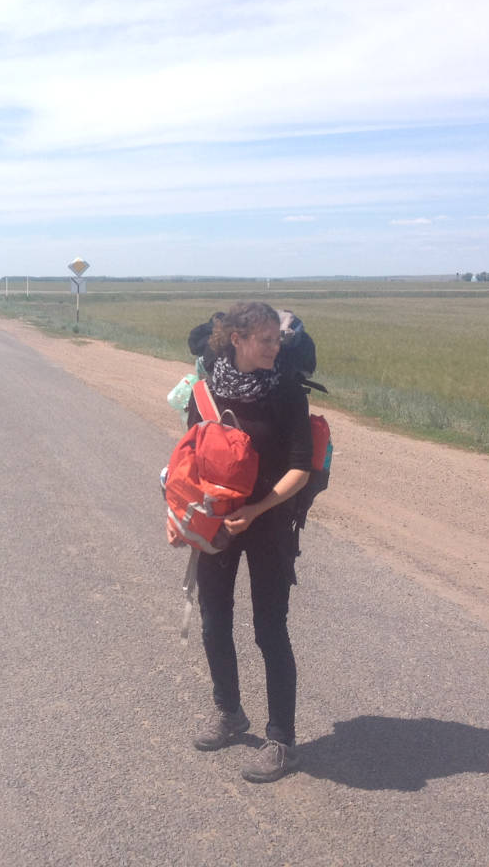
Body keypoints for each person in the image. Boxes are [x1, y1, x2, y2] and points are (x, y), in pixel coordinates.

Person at [186, 301, 313, 783]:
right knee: (214, 621)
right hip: (218, 522)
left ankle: (282, 740)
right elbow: (194, 453)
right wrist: (186, 503)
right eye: (265, 339)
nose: (275, 347)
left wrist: (257, 510)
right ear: (235, 339)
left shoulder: (285, 390)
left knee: (269, 630)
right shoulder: (206, 388)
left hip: (269, 524)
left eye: (277, 339)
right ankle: (229, 713)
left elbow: (300, 466)